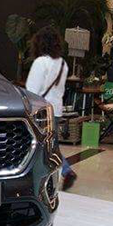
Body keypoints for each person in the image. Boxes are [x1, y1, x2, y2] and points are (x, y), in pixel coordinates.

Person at [26, 25, 77, 190]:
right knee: (50, 144)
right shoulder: (63, 64)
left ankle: (60, 173)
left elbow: (32, 91)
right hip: (56, 109)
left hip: (40, 111)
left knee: (43, 146)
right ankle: (63, 172)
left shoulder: (40, 63)